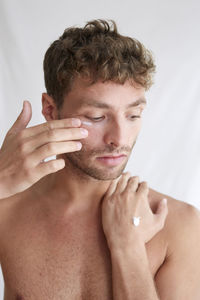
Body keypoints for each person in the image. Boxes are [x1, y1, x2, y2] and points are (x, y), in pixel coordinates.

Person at [0, 19, 200, 300]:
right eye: (96, 117)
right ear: (50, 109)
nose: (119, 138)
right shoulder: (7, 208)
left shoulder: (179, 225)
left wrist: (127, 248)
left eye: (133, 115)